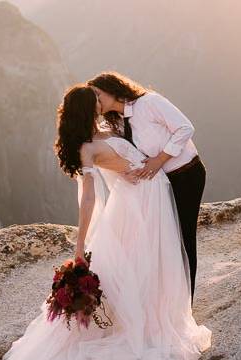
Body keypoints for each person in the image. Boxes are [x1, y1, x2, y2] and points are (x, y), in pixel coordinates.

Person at [0, 85, 211, 360]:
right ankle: (144, 329)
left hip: (150, 198)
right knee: (140, 267)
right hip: (138, 207)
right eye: (96, 102)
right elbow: (88, 196)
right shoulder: (87, 148)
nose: (103, 104)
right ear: (85, 110)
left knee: (146, 269)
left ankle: (152, 318)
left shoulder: (103, 132)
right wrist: (80, 244)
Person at [88, 72, 206, 303]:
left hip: (187, 174)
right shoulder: (116, 121)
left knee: (183, 237)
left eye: (98, 94)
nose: (97, 101)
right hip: (161, 183)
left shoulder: (149, 102)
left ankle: (185, 302)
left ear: (112, 89)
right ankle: (167, 298)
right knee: (166, 238)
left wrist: (160, 159)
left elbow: (185, 128)